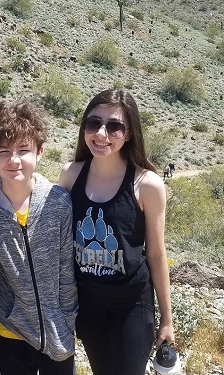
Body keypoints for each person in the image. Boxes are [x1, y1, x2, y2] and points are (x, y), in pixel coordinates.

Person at [59, 89, 174, 375]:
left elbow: (157, 254)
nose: (101, 133)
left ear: (130, 133)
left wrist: (168, 319)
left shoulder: (147, 185)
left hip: (132, 302)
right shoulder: (71, 175)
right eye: (93, 123)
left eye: (114, 126)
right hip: (88, 303)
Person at [0, 100, 78, 375]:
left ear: (40, 152)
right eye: (4, 152)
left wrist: (68, 320)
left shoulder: (58, 203)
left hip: (57, 329)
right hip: (10, 331)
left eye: (23, 150)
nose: (14, 160)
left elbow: (67, 271)